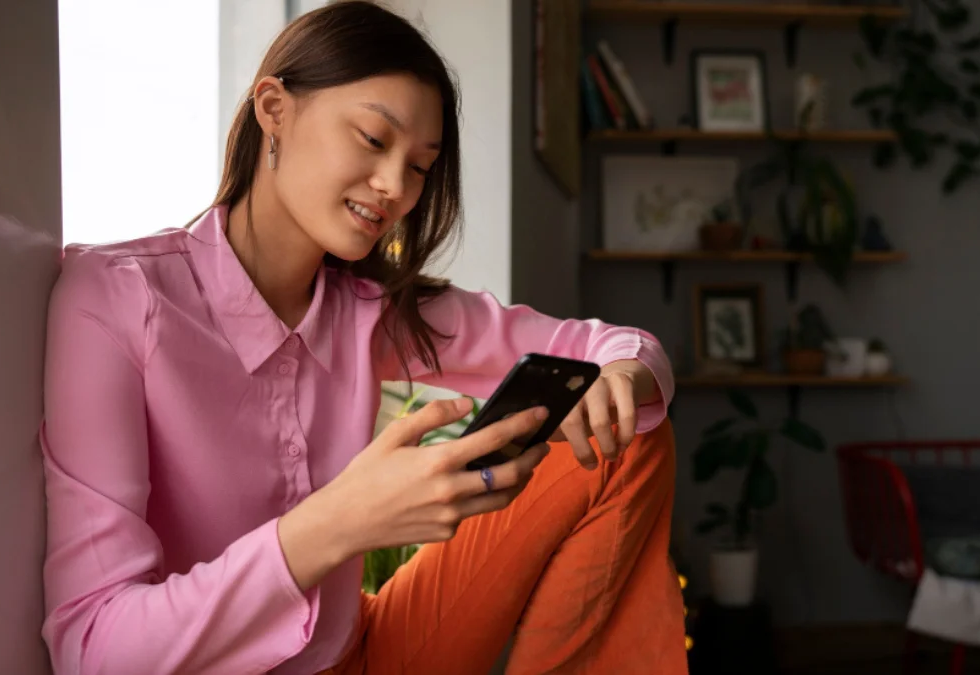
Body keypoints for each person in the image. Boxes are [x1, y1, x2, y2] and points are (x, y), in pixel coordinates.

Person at [39, 3, 686, 674]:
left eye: (420, 166)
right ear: (273, 108)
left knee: (627, 436)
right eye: (375, 139)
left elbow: (629, 348)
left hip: (370, 651)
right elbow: (95, 651)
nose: (395, 189)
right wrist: (338, 522)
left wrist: (617, 379)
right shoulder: (115, 297)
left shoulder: (371, 309)